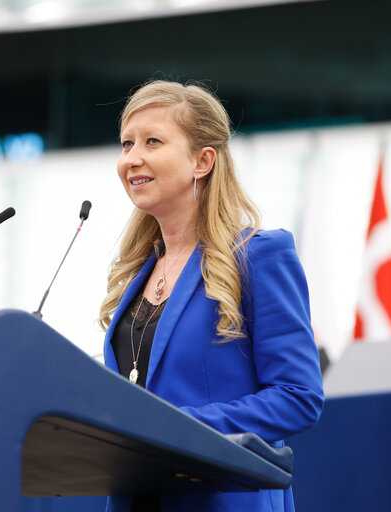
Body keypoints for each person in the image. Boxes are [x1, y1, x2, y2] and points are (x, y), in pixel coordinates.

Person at [99, 80, 324, 512]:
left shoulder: (259, 256)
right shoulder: (134, 276)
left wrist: (182, 428)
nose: (132, 158)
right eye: (126, 143)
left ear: (203, 161)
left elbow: (299, 395)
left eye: (152, 141)